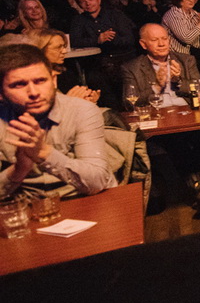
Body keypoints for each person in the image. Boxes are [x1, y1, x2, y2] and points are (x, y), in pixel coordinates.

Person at [0, 44, 115, 198]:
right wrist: (19, 169)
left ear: (54, 80)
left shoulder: (81, 110)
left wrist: (44, 153)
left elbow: (98, 180)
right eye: (19, 85)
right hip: (25, 205)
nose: (33, 93)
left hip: (84, 199)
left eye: (40, 81)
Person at [120, 23, 200, 108]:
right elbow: (129, 103)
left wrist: (178, 81)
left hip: (186, 109)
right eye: (154, 40)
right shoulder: (132, 68)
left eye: (164, 39)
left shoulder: (186, 60)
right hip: (156, 112)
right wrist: (157, 86)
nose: (161, 44)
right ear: (143, 44)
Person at [25, 28, 99, 103]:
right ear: (40, 49)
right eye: (58, 47)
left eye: (64, 46)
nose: (64, 51)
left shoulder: (64, 73)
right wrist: (68, 101)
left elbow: (79, 100)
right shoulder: (30, 78)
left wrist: (90, 100)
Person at [69, 0, 137, 58]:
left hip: (122, 57)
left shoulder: (116, 15)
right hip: (95, 59)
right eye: (83, 1)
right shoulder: (78, 20)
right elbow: (74, 42)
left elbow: (130, 39)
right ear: (79, 5)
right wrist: (97, 40)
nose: (88, 3)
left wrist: (111, 39)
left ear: (98, 0)